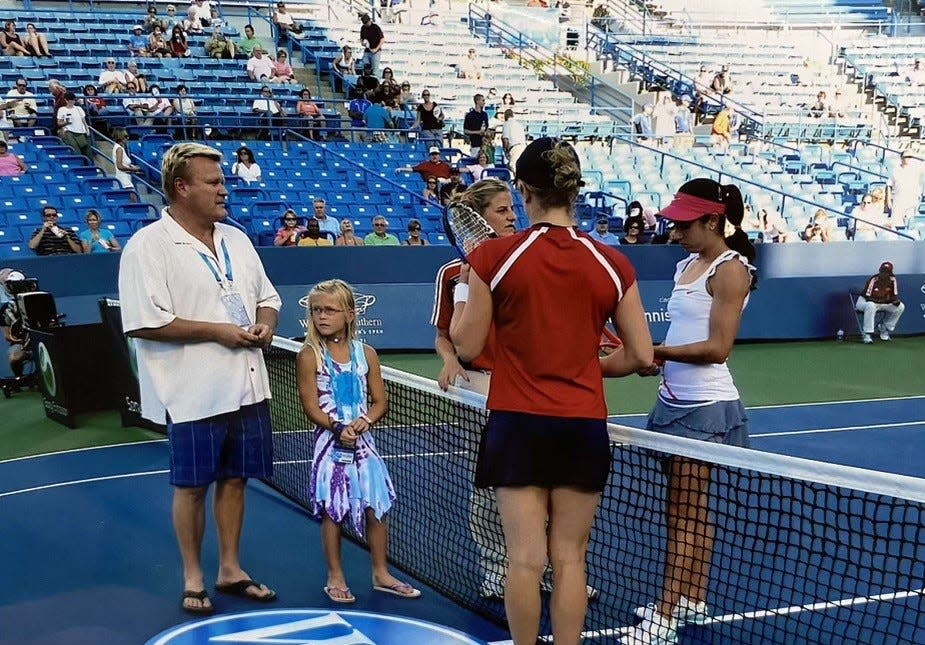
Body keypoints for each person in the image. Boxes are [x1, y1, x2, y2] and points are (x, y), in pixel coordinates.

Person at [449, 138, 652, 644]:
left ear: (523, 190)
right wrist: (587, 367)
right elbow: (642, 356)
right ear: (573, 189)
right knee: (569, 558)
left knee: (523, 559)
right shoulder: (612, 262)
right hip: (581, 425)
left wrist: (458, 323)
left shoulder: (493, 257)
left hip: (517, 424)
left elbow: (469, 345)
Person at [118, 142, 281, 615]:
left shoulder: (238, 239)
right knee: (190, 487)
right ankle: (194, 577)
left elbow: (267, 297)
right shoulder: (147, 246)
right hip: (192, 395)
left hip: (249, 385)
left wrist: (265, 323)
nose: (224, 190)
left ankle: (230, 569)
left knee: (236, 480)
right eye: (213, 182)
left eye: (223, 181)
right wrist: (220, 332)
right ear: (180, 188)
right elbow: (145, 321)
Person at [623, 177, 757, 645]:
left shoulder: (731, 270)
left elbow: (719, 348)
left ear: (713, 221)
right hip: (673, 400)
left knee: (686, 514)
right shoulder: (687, 265)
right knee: (685, 510)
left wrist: (657, 352)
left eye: (684, 224)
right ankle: (692, 599)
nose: (675, 232)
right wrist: (656, 358)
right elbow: (684, 338)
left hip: (706, 407)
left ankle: (664, 615)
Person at [296, 279, 421, 603]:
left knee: (376, 504)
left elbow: (380, 402)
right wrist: (338, 427)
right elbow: (311, 406)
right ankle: (335, 576)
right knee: (333, 509)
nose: (321, 316)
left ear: (350, 314)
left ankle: (381, 573)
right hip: (329, 446)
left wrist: (363, 423)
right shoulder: (310, 355)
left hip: (365, 444)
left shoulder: (367, 354)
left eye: (330, 310)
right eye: (316, 310)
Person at [431, 179, 517, 599]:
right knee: (487, 486)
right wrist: (450, 362)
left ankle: (549, 566)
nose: (513, 216)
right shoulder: (452, 273)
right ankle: (497, 569)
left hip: (526, 389)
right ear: (477, 219)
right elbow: (445, 336)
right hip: (479, 390)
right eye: (502, 210)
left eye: (513, 208)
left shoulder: (524, 260)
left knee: (540, 483)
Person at [855, 261, 904, 344]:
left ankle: (884, 328)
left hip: (882, 302)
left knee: (900, 307)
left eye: (887, 272)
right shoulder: (873, 279)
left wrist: (895, 301)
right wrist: (885, 301)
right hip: (864, 302)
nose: (884, 274)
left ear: (890, 273)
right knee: (871, 305)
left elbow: (894, 296)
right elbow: (868, 298)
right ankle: (867, 334)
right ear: (879, 271)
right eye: (882, 271)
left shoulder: (893, 280)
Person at [0, 268, 28, 378]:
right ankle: (19, 378)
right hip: (21, 343)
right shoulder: (5, 309)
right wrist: (21, 340)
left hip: (42, 338)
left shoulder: (36, 300)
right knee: (14, 358)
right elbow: (7, 336)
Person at [886, 149, 924, 228]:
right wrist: (888, 199)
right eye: (905, 157)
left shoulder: (917, 169)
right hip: (898, 200)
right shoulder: (895, 170)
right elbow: (889, 184)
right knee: (896, 223)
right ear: (901, 158)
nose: (907, 158)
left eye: (910, 157)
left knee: (911, 223)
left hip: (912, 200)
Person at [57, 92, 92, 159]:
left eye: (73, 100)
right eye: (70, 101)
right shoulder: (61, 110)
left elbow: (83, 120)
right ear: (66, 100)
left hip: (81, 132)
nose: (72, 102)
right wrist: (66, 123)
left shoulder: (79, 109)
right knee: (76, 151)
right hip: (69, 131)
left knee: (87, 151)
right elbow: (59, 123)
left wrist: (87, 130)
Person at [112, 128, 141, 200]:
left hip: (126, 178)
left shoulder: (119, 148)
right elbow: (119, 166)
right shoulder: (119, 149)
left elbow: (123, 163)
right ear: (120, 137)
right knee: (133, 201)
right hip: (123, 179)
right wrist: (132, 169)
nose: (127, 138)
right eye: (125, 136)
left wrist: (131, 166)